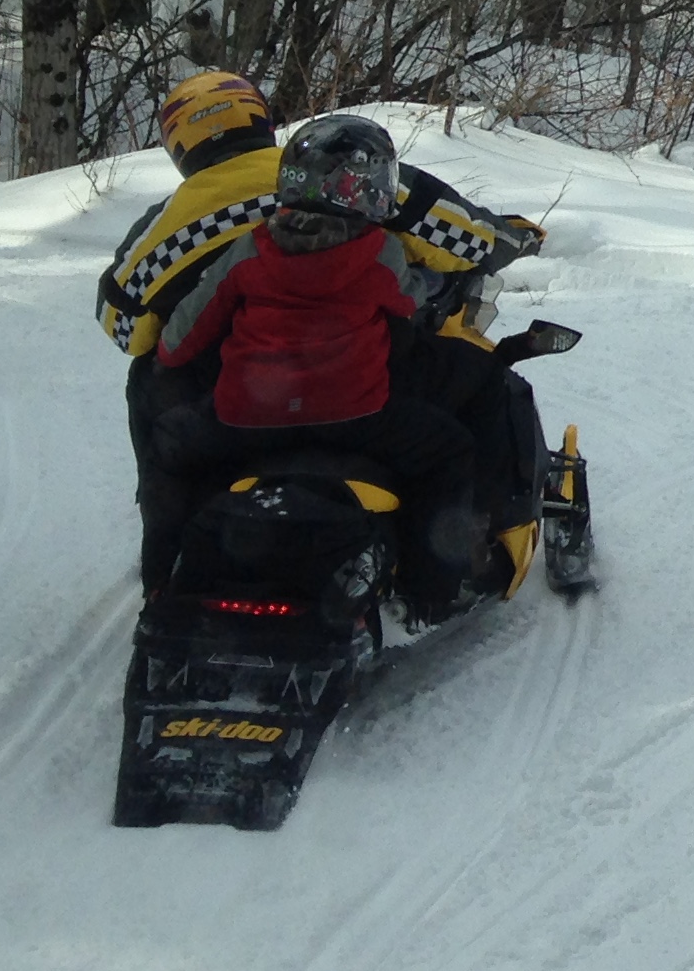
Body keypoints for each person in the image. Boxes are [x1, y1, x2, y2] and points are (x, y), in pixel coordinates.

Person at [102, 72, 536, 593]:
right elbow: (469, 240)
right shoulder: (354, 175)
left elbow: (125, 326)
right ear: (262, 119)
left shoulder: (163, 228)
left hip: (242, 396)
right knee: (473, 377)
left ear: (178, 145)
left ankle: (166, 566)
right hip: (358, 395)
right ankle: (461, 555)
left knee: (148, 389)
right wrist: (510, 237)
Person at [150, 114, 482, 617]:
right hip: (355, 420)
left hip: (246, 422)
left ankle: (161, 580)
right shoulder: (379, 254)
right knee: (450, 452)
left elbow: (177, 342)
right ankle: (428, 589)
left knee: (172, 448)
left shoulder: (247, 249)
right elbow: (412, 309)